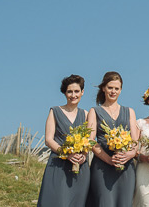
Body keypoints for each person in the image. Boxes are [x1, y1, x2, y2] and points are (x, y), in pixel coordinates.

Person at [86, 71, 139, 207]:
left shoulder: (130, 111)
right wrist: (108, 159)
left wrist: (130, 154)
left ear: (121, 90)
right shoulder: (94, 111)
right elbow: (91, 141)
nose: (113, 91)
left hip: (126, 167)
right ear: (103, 88)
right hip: (102, 167)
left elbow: (135, 140)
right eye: (110, 88)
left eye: (117, 88)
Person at [37, 74, 90, 206]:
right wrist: (67, 154)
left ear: (82, 92)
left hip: (80, 166)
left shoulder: (86, 114)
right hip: (58, 165)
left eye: (77, 91)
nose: (73, 95)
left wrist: (83, 155)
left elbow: (89, 140)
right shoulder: (54, 111)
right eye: (69, 91)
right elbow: (48, 140)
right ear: (64, 93)